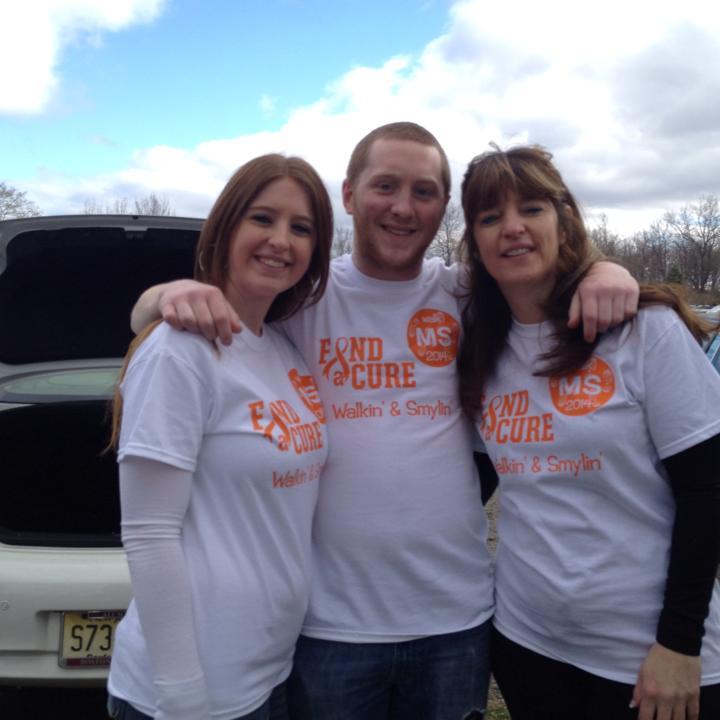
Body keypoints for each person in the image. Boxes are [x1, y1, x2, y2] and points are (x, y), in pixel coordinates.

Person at [130, 123, 639, 720]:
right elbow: (218, 314)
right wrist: (161, 295)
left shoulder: (469, 297)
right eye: (385, 186)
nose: (403, 207)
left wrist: (607, 271)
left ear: (444, 208)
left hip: (456, 619)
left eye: (424, 192)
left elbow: (546, 276)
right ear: (350, 194)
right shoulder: (303, 296)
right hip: (330, 627)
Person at [457, 144, 720, 720]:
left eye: (531, 208)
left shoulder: (644, 330)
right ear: (474, 240)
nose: (512, 228)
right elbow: (475, 480)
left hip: (649, 659)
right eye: (490, 217)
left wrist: (680, 644)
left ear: (564, 220)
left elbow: (707, 492)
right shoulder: (481, 348)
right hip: (526, 644)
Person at [106, 154, 333, 720]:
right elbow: (149, 534)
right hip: (191, 693)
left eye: (301, 228)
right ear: (226, 226)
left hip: (269, 674)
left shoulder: (282, 349)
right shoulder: (180, 352)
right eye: (263, 218)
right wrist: (182, 694)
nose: (280, 240)